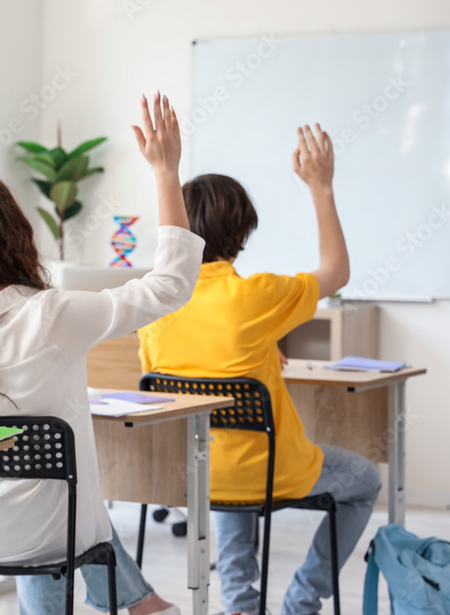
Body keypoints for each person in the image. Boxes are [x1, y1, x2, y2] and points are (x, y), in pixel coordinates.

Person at [0, 92, 201, 615]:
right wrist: (166, 172)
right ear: (14, 234)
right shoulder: (51, 314)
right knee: (62, 503)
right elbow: (171, 284)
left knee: (44, 497)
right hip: (50, 533)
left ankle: (145, 604)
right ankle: (147, 605)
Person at [136, 125, 381, 615]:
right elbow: (336, 273)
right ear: (243, 231)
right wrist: (321, 186)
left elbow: (174, 379)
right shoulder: (259, 296)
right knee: (365, 479)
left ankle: (241, 607)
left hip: (192, 474)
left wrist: (261, 353)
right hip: (270, 472)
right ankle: (301, 600)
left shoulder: (157, 302)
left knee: (224, 465)